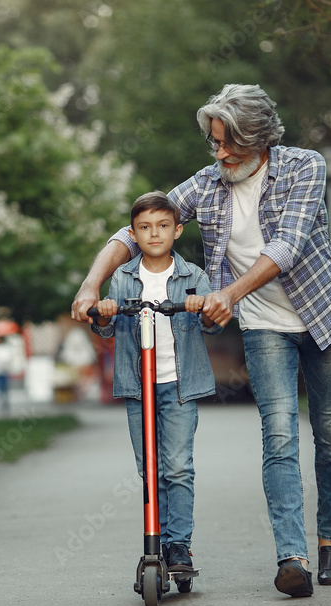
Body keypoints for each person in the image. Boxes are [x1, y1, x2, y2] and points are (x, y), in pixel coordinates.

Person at [72, 84, 331, 598]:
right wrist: (92, 283)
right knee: (281, 435)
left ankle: (330, 538)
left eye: (228, 144)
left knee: (330, 435)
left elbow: (287, 245)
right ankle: (293, 557)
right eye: (214, 143)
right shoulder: (209, 184)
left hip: (323, 316)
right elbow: (135, 229)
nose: (219, 153)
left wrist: (228, 293)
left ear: (260, 139)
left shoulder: (303, 167)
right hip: (265, 323)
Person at [89, 190, 221, 574]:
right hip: (138, 387)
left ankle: (179, 545)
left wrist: (204, 309)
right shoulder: (123, 277)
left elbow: (212, 327)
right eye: (144, 228)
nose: (155, 234)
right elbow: (107, 328)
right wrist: (105, 311)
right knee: (150, 469)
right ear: (133, 233)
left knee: (178, 466)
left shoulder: (193, 276)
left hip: (180, 385)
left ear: (178, 230)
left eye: (163, 226)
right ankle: (157, 542)